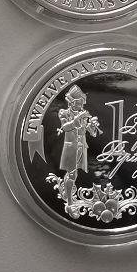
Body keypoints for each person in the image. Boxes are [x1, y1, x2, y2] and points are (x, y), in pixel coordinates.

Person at [57, 85, 101, 214]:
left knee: (73, 174)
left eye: (82, 103)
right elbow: (65, 127)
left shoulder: (83, 114)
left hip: (82, 146)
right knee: (72, 174)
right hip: (71, 147)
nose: (82, 105)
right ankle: (70, 202)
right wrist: (78, 118)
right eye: (79, 103)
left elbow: (92, 134)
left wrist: (93, 126)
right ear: (72, 102)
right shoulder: (64, 113)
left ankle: (68, 195)